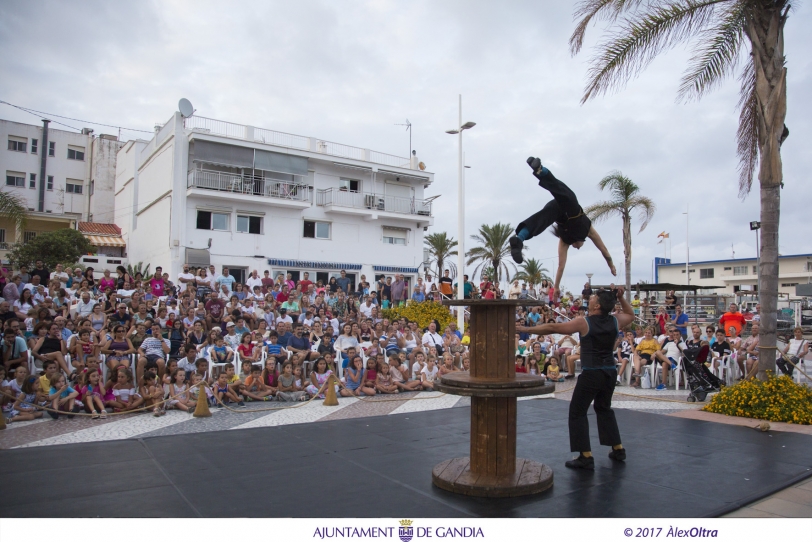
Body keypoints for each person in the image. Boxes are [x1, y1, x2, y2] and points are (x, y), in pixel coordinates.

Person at [518, 287, 633, 469]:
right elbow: (630, 315)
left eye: (594, 298)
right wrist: (621, 297)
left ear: (597, 306)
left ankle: (585, 456)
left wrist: (526, 328)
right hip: (609, 372)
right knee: (604, 408)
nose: (591, 299)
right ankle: (618, 449)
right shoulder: (614, 321)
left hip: (592, 373)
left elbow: (554, 327)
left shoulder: (584, 323)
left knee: (577, 411)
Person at [510, 158, 617, 300]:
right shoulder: (589, 231)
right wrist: (611, 265)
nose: (577, 248)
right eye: (578, 247)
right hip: (572, 208)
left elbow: (561, 267)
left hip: (557, 210)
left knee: (543, 218)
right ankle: (540, 170)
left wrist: (557, 287)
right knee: (561, 192)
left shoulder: (564, 240)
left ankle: (519, 239)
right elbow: (603, 249)